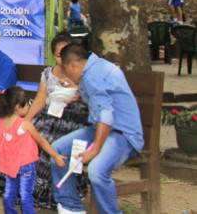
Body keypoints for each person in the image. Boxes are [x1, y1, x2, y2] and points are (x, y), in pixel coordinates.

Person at [0, 32, 91, 208]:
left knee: (49, 143)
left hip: (74, 118)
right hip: (50, 114)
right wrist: (23, 123)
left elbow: (92, 102)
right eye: (59, 55)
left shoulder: (81, 73)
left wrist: (78, 93)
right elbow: (39, 101)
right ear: (54, 55)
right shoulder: (48, 73)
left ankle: (53, 195)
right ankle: (26, 192)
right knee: (27, 138)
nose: (63, 60)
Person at [50, 43, 144, 214]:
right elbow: (101, 105)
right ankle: (71, 207)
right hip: (101, 129)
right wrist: (79, 98)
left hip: (123, 135)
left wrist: (94, 151)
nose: (68, 75)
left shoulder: (93, 75)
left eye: (66, 70)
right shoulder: (94, 67)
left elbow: (105, 116)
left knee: (96, 170)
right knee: (57, 150)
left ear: (72, 65)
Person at [0, 87, 67, 214]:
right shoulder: (25, 123)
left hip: (9, 165)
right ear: (18, 107)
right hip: (26, 164)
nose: (29, 106)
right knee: (26, 195)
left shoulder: (1, 121)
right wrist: (55, 155)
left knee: (9, 193)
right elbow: (42, 141)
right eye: (27, 104)